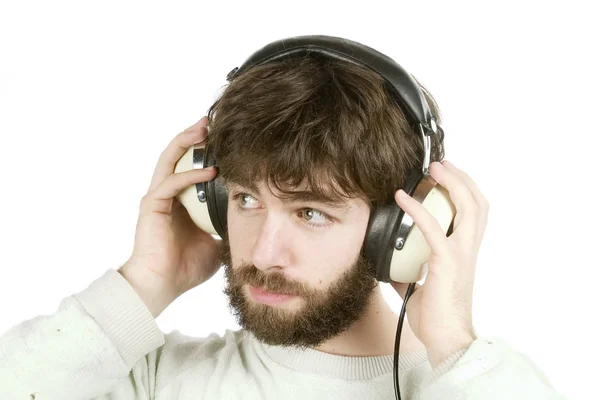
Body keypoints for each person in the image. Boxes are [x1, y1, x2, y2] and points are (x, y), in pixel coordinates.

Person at [0, 55, 565, 399]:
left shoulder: (465, 389)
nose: (265, 253)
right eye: (245, 199)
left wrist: (455, 346)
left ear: (400, 229)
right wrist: (145, 282)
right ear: (210, 201)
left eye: (310, 212)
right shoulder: (148, 380)